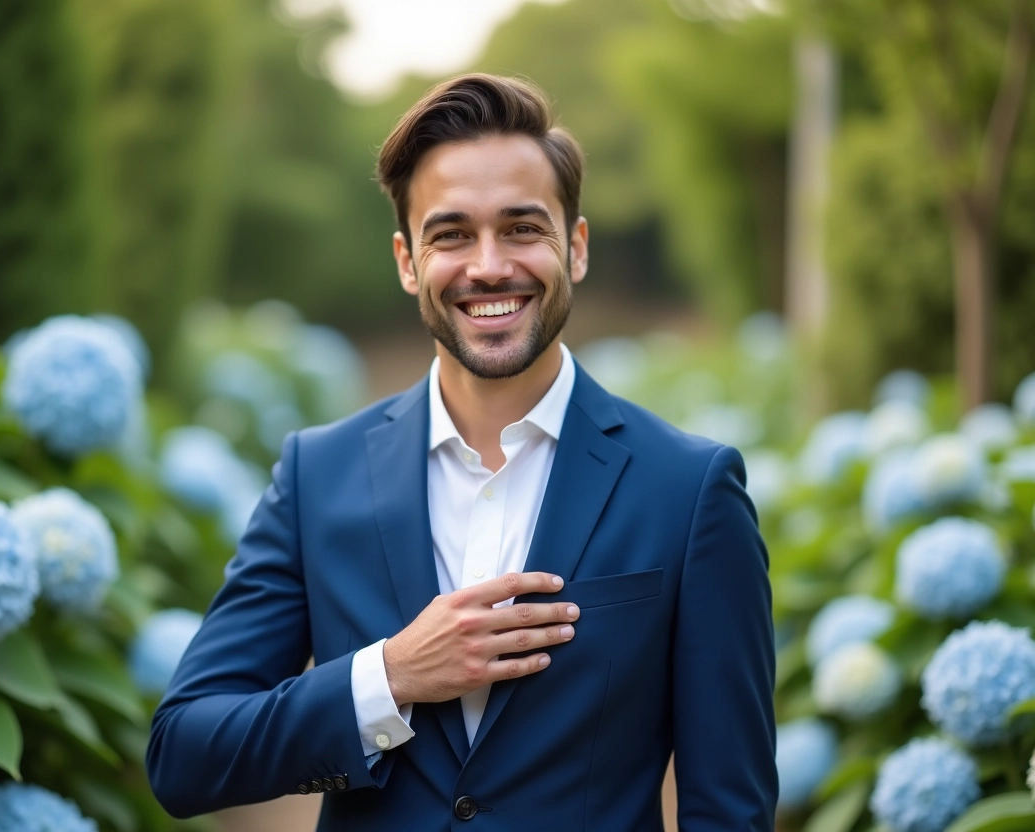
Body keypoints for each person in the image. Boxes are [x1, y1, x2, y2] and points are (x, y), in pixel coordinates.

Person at [146, 73, 777, 830]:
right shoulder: (318, 476)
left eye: (521, 228)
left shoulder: (690, 489)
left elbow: (729, 811)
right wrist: (392, 676)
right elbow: (184, 754)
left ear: (574, 248)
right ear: (408, 261)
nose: (487, 266)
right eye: (451, 234)